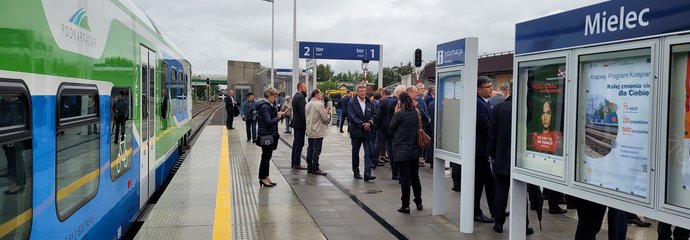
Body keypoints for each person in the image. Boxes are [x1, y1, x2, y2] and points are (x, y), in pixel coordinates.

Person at [390, 92, 422, 214]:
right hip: (414, 150)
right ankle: (418, 201)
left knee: (405, 178)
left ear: (400, 102)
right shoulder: (416, 112)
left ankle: (405, 205)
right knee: (415, 177)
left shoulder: (399, 114)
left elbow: (391, 127)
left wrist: (395, 113)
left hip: (402, 151)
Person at [474, 76, 495, 223]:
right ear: (479, 89)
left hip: (484, 150)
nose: (491, 89)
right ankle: (475, 211)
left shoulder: (485, 102)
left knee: (489, 181)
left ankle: (495, 209)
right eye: (488, 87)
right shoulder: (478, 103)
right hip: (480, 151)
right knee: (479, 183)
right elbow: (486, 125)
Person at [256, 87, 285, 187]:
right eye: (274, 96)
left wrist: (277, 114)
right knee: (265, 157)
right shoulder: (265, 107)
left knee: (267, 157)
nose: (275, 98)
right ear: (269, 96)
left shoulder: (269, 105)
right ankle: (262, 178)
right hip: (266, 135)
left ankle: (266, 176)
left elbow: (269, 118)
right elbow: (268, 122)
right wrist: (278, 117)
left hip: (269, 134)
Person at [348, 85, 376, 181]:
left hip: (367, 131)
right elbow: (352, 117)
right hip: (356, 132)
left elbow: (374, 114)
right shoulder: (352, 102)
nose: (363, 93)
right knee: (355, 152)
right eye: (361, 91)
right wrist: (363, 124)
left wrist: (370, 122)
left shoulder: (369, 102)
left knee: (368, 152)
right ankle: (356, 171)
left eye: (364, 91)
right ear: (357, 92)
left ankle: (367, 173)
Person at [1, 95, 26, 194]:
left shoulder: (16, 105)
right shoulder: (6, 103)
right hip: (10, 138)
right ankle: (16, 184)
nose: (3, 95)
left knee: (16, 160)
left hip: (14, 139)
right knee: (12, 160)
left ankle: (18, 185)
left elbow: (8, 121)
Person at [383, 85, 406, 180]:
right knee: (394, 154)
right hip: (393, 132)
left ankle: (395, 173)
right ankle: (396, 173)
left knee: (391, 152)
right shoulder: (396, 102)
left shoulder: (387, 100)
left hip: (388, 131)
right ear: (399, 93)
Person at [305, 89, 330, 175]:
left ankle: (309, 166)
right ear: (317, 95)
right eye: (320, 94)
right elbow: (325, 118)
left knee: (310, 149)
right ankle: (315, 167)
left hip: (309, 129)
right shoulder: (319, 105)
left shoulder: (308, 104)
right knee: (316, 150)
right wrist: (327, 113)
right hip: (318, 130)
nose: (321, 95)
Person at [290, 82, 308, 170]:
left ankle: (294, 162)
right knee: (299, 144)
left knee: (296, 143)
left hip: (297, 124)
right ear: (300, 88)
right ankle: (297, 163)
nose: (306, 89)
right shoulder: (300, 97)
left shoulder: (296, 96)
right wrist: (306, 125)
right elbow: (303, 113)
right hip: (300, 124)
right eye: (305, 88)